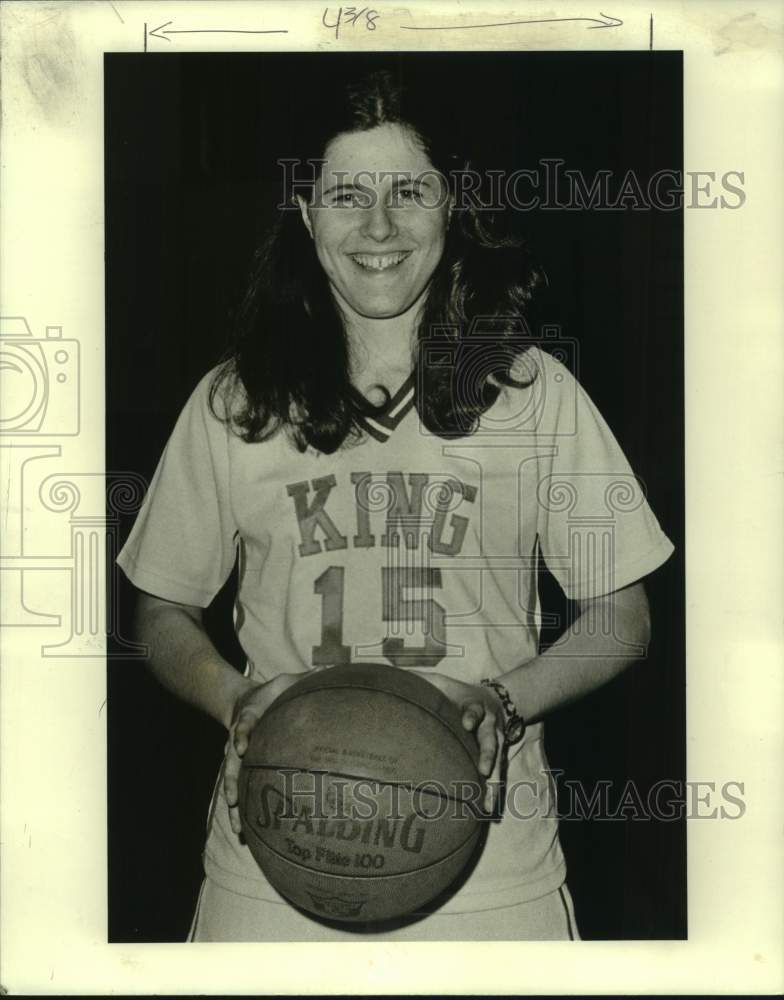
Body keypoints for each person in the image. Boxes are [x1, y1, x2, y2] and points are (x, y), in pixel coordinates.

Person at [117, 68, 673, 941]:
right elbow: (161, 608)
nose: (379, 227)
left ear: (451, 207)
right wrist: (234, 701)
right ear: (305, 213)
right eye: (346, 194)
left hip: (494, 879)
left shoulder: (531, 390)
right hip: (270, 868)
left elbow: (623, 615)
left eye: (409, 190)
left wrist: (506, 698)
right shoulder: (236, 401)